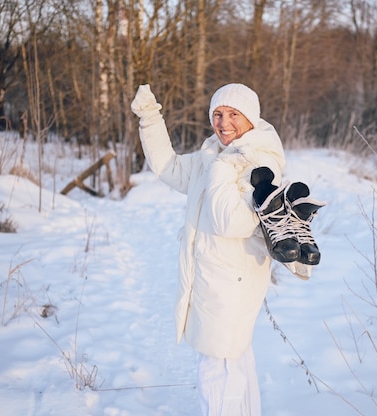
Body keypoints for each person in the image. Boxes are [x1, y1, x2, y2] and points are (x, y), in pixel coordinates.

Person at [130, 82, 285, 415]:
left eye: (233, 114)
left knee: (217, 371)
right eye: (217, 113)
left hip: (231, 283)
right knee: (235, 362)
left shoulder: (257, 162)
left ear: (251, 119)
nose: (224, 122)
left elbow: (231, 222)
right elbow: (169, 168)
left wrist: (223, 169)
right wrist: (150, 120)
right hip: (215, 278)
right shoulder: (216, 154)